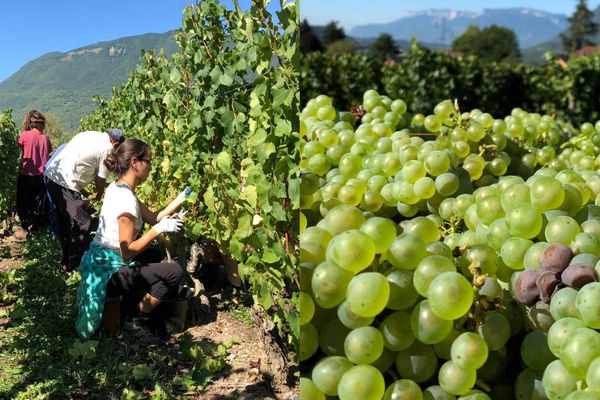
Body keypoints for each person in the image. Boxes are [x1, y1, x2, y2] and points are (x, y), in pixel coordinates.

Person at [75, 138, 193, 345]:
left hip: (102, 261)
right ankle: (136, 319)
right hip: (109, 272)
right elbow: (127, 251)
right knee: (173, 272)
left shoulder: (120, 187)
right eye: (148, 161)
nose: (150, 167)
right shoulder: (126, 200)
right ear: (135, 162)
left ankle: (130, 304)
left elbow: (154, 217)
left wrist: (181, 199)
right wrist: (158, 230)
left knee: (155, 254)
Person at [44, 128, 125, 272]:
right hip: (64, 182)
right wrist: (99, 195)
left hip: (52, 176)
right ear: (116, 144)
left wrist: (84, 193)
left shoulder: (89, 134)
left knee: (65, 222)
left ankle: (66, 261)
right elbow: (100, 179)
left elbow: (77, 165)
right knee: (82, 223)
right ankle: (74, 265)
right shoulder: (107, 149)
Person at [16, 110, 52, 235]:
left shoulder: (25, 135)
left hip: (25, 175)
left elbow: (17, 146)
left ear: (30, 123)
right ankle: (37, 229)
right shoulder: (45, 138)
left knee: (24, 203)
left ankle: (25, 228)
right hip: (41, 177)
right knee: (39, 204)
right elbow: (49, 151)